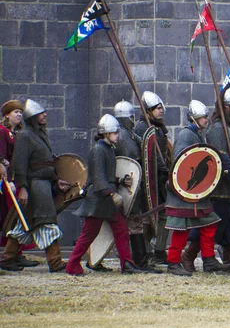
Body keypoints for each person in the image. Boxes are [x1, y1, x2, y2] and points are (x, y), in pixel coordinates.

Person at [66, 114, 144, 275]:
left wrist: (121, 181)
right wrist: (111, 193)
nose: (118, 135)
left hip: (107, 200)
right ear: (106, 133)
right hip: (99, 199)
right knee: (89, 234)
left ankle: (127, 264)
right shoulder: (98, 150)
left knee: (122, 231)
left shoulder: (108, 149)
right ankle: (72, 265)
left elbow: (107, 175)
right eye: (115, 132)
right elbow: (98, 178)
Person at [1, 100, 70, 272]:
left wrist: (56, 179)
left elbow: (46, 163)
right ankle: (55, 262)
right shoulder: (25, 136)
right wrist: (23, 188)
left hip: (43, 184)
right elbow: (19, 165)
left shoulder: (40, 135)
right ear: (32, 117)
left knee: (24, 224)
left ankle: (7, 259)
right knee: (46, 220)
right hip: (35, 186)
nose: (45, 114)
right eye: (41, 113)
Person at [164, 100, 225, 276]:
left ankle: (209, 260)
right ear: (193, 118)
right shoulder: (186, 135)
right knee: (181, 231)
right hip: (184, 193)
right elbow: (180, 164)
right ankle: (173, 263)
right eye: (203, 117)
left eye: (206, 117)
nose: (206, 120)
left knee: (209, 225)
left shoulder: (197, 134)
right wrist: (187, 188)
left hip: (198, 193)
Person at [113, 100, 161, 273]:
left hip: (135, 187)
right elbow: (126, 163)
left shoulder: (130, 135)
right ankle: (138, 262)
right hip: (127, 187)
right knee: (134, 225)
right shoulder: (122, 138)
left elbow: (144, 147)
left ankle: (137, 260)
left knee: (137, 224)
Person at [201, 87, 230, 273]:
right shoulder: (217, 129)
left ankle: (229, 260)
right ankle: (199, 257)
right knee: (216, 226)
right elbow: (221, 157)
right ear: (226, 107)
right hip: (221, 186)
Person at [0, 100, 38, 270]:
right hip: (5, 181)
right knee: (10, 216)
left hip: (14, 179)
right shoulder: (2, 132)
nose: (19, 115)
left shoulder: (16, 133)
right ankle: (10, 256)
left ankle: (17, 254)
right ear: (7, 114)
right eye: (15, 112)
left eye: (21, 112)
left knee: (17, 217)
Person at [133, 91, 170, 265]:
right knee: (147, 217)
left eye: (161, 107)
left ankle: (160, 251)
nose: (160, 110)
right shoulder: (142, 128)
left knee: (163, 215)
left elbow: (162, 154)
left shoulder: (158, 128)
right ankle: (146, 252)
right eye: (157, 108)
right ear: (148, 111)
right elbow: (147, 157)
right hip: (148, 180)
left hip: (160, 179)